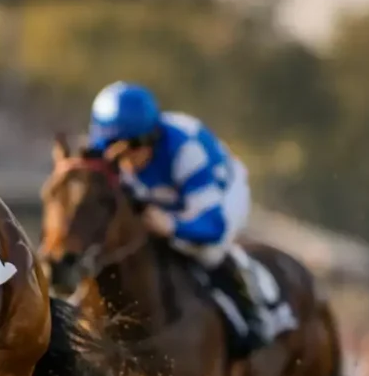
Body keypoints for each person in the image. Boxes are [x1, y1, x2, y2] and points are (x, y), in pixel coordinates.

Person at [86, 81, 270, 345]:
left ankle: (252, 308)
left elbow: (213, 226)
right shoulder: (114, 148)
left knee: (204, 251)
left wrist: (173, 227)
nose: (117, 159)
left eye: (125, 149)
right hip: (164, 196)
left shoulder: (186, 152)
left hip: (219, 196)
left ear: (147, 140)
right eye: (110, 148)